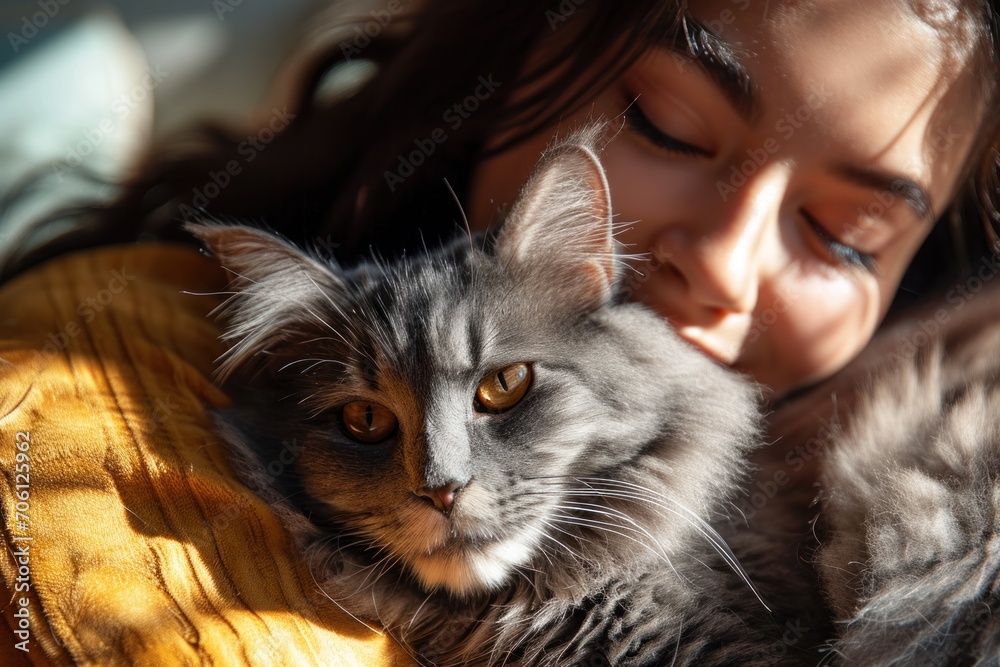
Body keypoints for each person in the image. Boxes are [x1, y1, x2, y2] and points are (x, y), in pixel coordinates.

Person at [0, 0, 997, 662]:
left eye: (842, 234)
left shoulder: (929, 437)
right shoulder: (116, 346)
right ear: (516, 44)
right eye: (666, 123)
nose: (726, 265)